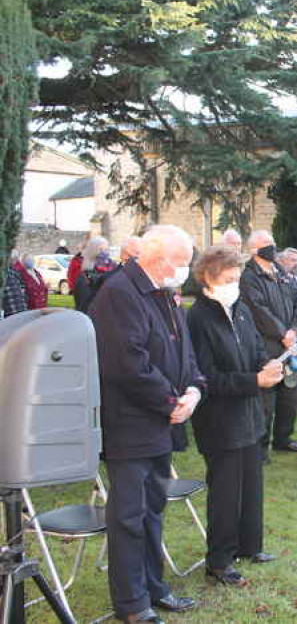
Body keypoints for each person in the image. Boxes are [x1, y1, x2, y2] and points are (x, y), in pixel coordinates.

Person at [88, 225, 204, 624]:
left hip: (161, 424)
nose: (186, 270)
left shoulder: (164, 295)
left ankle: (155, 587)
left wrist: (193, 390)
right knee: (129, 516)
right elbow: (127, 363)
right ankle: (132, 602)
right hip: (131, 426)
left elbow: (183, 353)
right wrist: (169, 401)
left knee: (154, 511)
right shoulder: (119, 294)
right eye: (183, 263)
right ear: (160, 259)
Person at [187, 246, 284, 587]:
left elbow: (256, 349)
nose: (235, 285)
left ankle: (249, 545)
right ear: (208, 279)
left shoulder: (240, 309)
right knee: (226, 492)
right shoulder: (199, 317)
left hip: (249, 414)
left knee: (251, 485)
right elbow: (206, 376)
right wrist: (252, 381)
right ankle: (219, 560)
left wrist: (268, 366)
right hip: (219, 419)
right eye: (228, 280)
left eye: (237, 279)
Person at [239, 230, 297, 456]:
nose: (272, 247)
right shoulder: (249, 277)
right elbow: (259, 311)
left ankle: (283, 437)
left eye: (273, 243)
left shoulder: (282, 272)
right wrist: (282, 333)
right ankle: (260, 447)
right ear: (253, 249)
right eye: (266, 244)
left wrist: (295, 329)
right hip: (267, 345)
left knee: (290, 395)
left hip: (291, 344)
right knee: (266, 401)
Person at [73, 235, 115, 313]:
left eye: (106, 249)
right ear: (93, 251)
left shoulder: (114, 270)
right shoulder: (85, 277)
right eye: (100, 249)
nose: (104, 253)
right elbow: (83, 306)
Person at [2, 251, 28, 318]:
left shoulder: (14, 271)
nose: (15, 261)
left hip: (21, 310)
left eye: (16, 259)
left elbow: (22, 287)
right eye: (13, 259)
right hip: (8, 314)